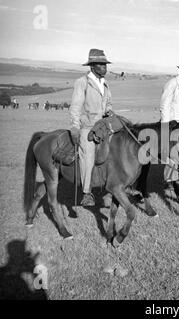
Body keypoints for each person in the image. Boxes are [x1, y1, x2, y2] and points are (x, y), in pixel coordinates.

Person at [69, 48, 113, 206]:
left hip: (103, 125)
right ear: (92, 66)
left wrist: (108, 110)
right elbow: (75, 107)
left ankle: (113, 188)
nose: (105, 67)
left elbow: (108, 104)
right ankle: (87, 193)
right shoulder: (82, 82)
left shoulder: (105, 84)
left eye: (105, 64)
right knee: (88, 153)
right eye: (101, 65)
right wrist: (75, 126)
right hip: (88, 126)